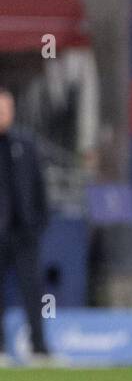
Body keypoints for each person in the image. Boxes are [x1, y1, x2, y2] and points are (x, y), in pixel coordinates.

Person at [0, 87, 51, 363]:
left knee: (34, 291)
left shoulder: (25, 144)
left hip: (24, 233)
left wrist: (39, 222)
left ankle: (39, 347)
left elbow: (39, 186)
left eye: (5, 109)